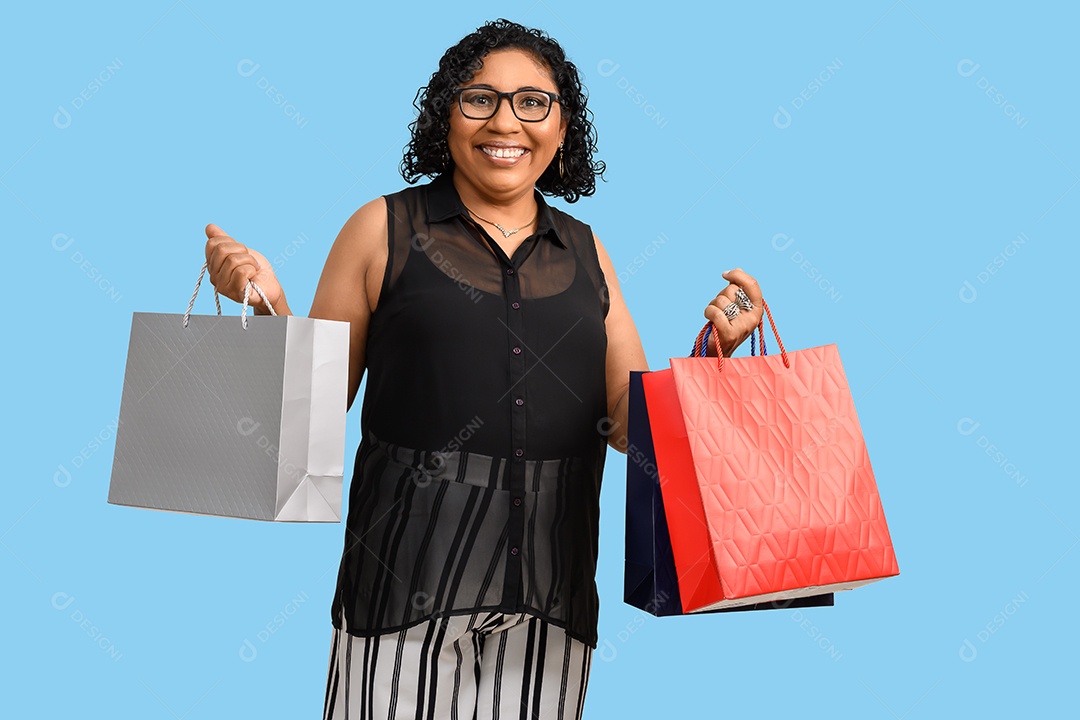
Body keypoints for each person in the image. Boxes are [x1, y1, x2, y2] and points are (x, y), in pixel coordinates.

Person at [204, 18, 764, 720]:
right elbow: (309, 415)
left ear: (562, 130)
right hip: (402, 596)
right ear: (447, 115)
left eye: (534, 102)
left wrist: (714, 351)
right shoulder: (380, 229)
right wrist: (268, 302)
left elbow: (628, 425)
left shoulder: (589, 253)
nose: (507, 120)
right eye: (480, 99)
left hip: (551, 604)